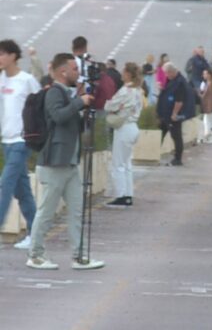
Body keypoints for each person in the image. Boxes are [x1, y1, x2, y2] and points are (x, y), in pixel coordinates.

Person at [26, 53, 104, 270]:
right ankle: (35, 254)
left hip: (69, 163)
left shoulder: (67, 94)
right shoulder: (54, 92)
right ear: (63, 71)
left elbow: (71, 122)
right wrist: (80, 102)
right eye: (75, 69)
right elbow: (58, 116)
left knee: (77, 210)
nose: (78, 74)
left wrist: (83, 109)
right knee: (47, 211)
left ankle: (79, 256)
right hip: (54, 163)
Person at [0, 40, 40, 250]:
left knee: (4, 184)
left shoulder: (27, 80)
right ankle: (35, 233)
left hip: (21, 141)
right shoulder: (2, 80)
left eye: (2, 54)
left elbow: (41, 104)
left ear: (13, 56)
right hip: (6, 141)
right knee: (22, 190)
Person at [104, 63, 144, 208]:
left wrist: (110, 106)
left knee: (118, 163)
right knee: (127, 164)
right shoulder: (138, 90)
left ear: (128, 73)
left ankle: (120, 196)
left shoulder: (125, 90)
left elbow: (109, 106)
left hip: (124, 127)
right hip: (133, 127)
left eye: (123, 70)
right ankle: (128, 195)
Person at [156, 62, 188, 166]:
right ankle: (155, 154)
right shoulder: (172, 80)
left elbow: (179, 101)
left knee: (176, 136)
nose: (166, 75)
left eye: (166, 73)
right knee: (160, 134)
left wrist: (174, 114)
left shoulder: (179, 82)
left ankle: (178, 159)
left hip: (172, 116)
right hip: (165, 115)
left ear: (171, 71)